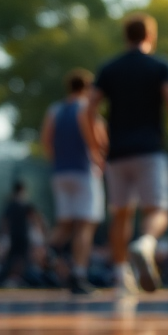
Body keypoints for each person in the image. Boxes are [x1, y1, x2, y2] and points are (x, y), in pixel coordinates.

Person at [85, 13, 168, 297]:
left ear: (126, 36)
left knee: (120, 214)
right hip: (150, 151)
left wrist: (95, 148)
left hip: (117, 154)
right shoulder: (160, 66)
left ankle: (121, 276)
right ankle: (146, 243)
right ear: (150, 36)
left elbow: (89, 110)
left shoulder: (109, 68)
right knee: (157, 210)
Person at [41, 69, 104, 295]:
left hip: (61, 172)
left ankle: (47, 251)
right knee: (85, 225)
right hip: (84, 171)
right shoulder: (87, 108)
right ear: (87, 88)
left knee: (65, 224)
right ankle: (78, 274)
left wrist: (56, 160)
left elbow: (46, 140)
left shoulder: (55, 110)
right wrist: (99, 157)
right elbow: (98, 139)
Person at [0, 181, 42, 287]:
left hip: (14, 235)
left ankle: (11, 277)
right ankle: (16, 277)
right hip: (22, 235)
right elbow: (34, 218)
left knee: (13, 257)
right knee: (21, 258)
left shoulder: (11, 204)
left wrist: (4, 234)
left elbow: (5, 221)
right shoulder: (24, 204)